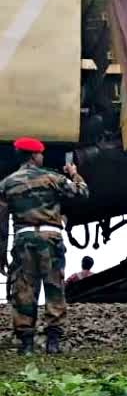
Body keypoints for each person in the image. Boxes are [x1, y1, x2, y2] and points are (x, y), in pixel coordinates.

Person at [0, 138, 89, 355]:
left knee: (24, 288)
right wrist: (73, 173)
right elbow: (82, 192)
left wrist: (1, 252)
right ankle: (53, 341)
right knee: (54, 286)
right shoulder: (52, 178)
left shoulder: (7, 183)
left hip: (24, 238)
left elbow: (1, 221)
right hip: (51, 238)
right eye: (40, 154)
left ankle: (26, 343)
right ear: (34, 155)